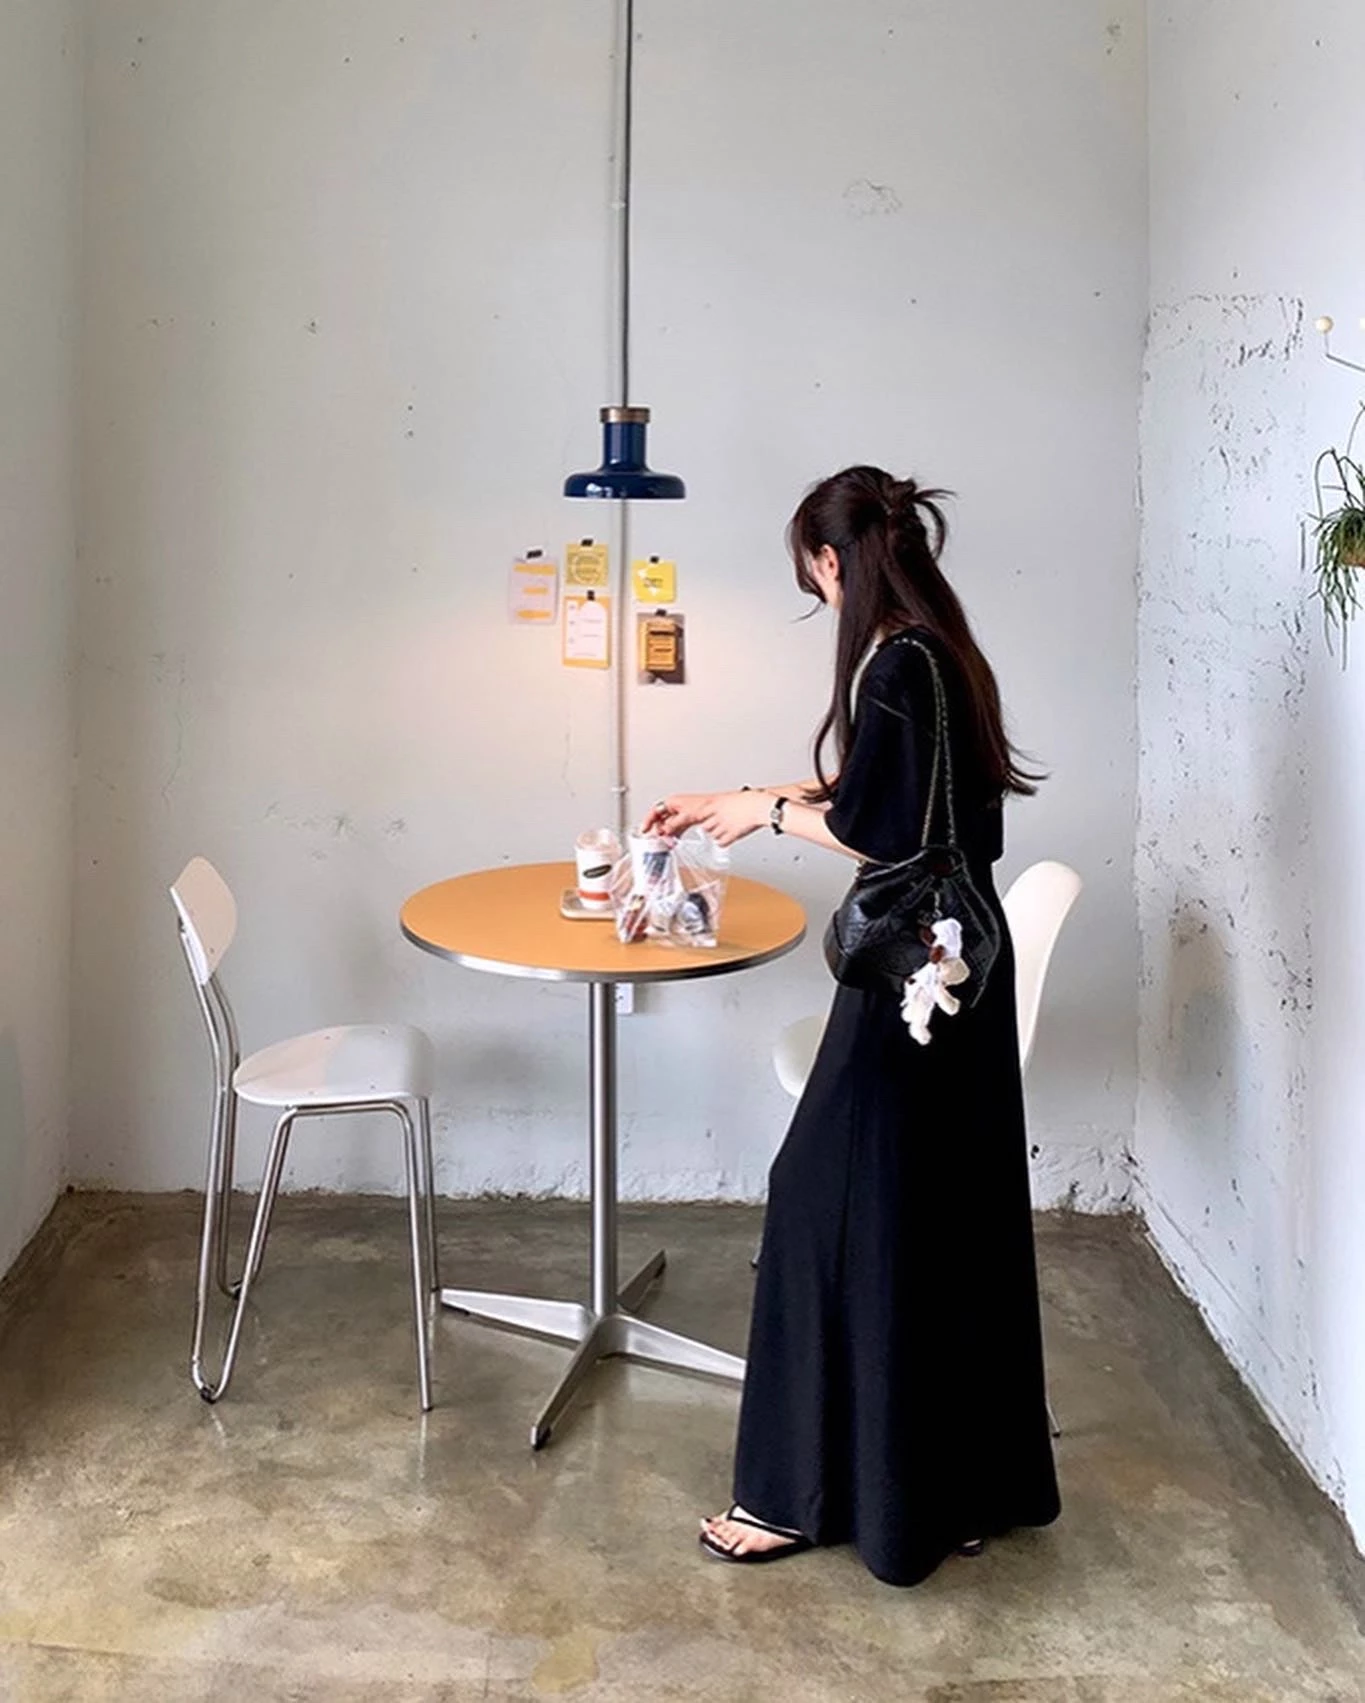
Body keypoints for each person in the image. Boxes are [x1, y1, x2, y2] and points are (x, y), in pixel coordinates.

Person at [643, 464, 1062, 1587]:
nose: (819, 598)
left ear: (835, 561)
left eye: (813, 578)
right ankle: (952, 1487)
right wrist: (745, 799)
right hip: (964, 970)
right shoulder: (944, 652)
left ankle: (791, 1492)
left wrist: (771, 811)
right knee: (939, 1221)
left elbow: (883, 829)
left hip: (912, 974)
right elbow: (908, 795)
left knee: (817, 1198)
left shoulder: (894, 662)